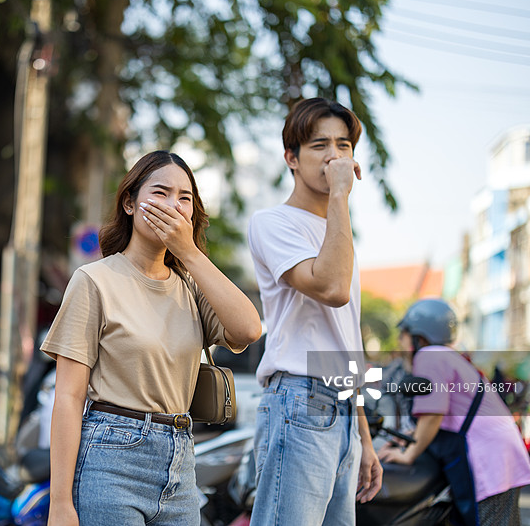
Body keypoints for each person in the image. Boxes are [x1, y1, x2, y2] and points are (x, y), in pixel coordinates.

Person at [43, 150, 262, 526]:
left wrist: (189, 252)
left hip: (180, 460)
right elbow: (67, 397)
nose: (173, 206)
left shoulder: (191, 287)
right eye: (160, 193)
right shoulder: (94, 280)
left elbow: (248, 329)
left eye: (185, 198)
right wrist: (60, 504)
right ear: (130, 203)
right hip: (110, 459)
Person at [246, 97, 382, 525]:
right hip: (298, 401)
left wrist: (363, 438)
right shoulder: (273, 222)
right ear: (291, 157)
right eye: (320, 145)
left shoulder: (338, 232)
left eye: (344, 145)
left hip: (341, 411)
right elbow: (331, 288)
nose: (334, 156)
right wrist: (340, 194)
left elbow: (346, 340)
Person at [378, 298, 530, 525]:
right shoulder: (447, 356)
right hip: (497, 450)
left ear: (419, 336)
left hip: (490, 456)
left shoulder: (430, 356)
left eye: (404, 334)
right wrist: (405, 440)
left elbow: (433, 414)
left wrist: (408, 454)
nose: (400, 341)